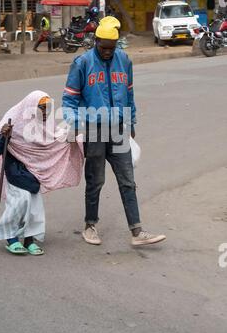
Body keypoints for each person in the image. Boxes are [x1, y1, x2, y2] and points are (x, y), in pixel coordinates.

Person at [62, 16, 166, 247]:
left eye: (112, 47)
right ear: (96, 41)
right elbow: (69, 100)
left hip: (118, 130)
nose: (108, 52)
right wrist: (73, 125)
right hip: (94, 130)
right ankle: (90, 226)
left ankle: (137, 232)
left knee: (127, 180)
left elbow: (128, 94)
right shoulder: (82, 63)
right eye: (104, 47)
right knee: (95, 181)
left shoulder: (124, 60)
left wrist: (131, 123)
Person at [0, 90, 84, 255]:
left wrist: (76, 138)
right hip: (14, 171)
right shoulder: (14, 121)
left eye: (48, 108)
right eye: (41, 108)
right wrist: (4, 135)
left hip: (34, 172)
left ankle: (29, 240)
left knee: (35, 206)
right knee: (19, 203)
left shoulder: (46, 125)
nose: (45, 112)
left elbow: (55, 139)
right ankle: (11, 238)